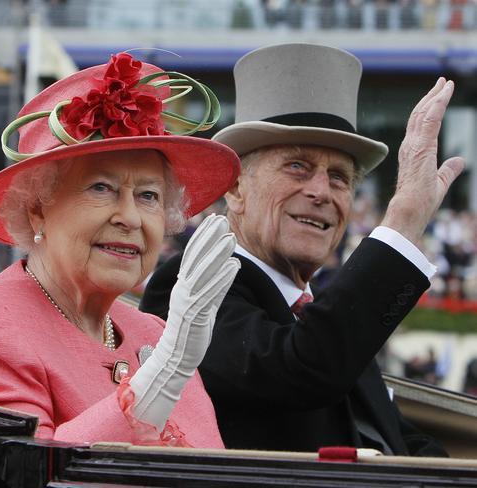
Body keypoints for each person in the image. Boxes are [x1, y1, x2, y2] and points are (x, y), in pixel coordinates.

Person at [140, 43, 464, 455]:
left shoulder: (323, 315)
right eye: (298, 166)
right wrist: (402, 224)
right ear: (236, 188)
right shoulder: (189, 287)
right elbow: (302, 369)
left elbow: (394, 438)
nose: (320, 192)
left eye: (339, 178)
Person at [0, 52, 242, 447]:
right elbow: (20, 471)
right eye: (101, 188)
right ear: (37, 209)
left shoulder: (152, 333)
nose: (131, 218)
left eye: (149, 195)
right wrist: (162, 374)